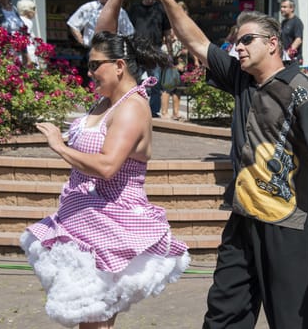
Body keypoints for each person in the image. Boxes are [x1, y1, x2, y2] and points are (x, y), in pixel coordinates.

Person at [99, 0, 308, 328]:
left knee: (296, 321)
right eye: (236, 41)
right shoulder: (242, 79)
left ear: (272, 43)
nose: (238, 47)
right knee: (224, 314)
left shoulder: (302, 91)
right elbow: (196, 41)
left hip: (288, 228)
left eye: (246, 40)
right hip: (243, 223)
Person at [20, 30, 190, 328]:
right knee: (92, 318)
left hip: (112, 223)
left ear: (119, 66)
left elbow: (108, 165)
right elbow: (103, 30)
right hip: (83, 218)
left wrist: (60, 147)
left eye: (96, 64)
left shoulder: (131, 108)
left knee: (94, 319)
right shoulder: (110, 99)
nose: (90, 71)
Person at [127, 0, 173, 117]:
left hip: (155, 50)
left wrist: (170, 52)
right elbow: (126, 29)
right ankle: (133, 108)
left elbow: (167, 32)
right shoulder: (134, 9)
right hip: (136, 50)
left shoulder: (161, 9)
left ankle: (153, 111)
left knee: (156, 82)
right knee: (132, 81)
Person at [67, 0, 135, 49]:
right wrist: (82, 42)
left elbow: (129, 32)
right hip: (92, 48)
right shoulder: (88, 8)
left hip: (112, 50)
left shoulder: (120, 11)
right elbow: (73, 24)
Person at [280, 0, 303, 65]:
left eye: (284, 7)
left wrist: (287, 55)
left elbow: (298, 40)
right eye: (281, 7)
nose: (281, 9)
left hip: (293, 60)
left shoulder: (297, 22)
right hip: (284, 59)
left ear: (292, 8)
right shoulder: (284, 22)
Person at [17, 0, 38, 65]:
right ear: (27, 11)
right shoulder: (27, 22)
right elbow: (23, 39)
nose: (35, 12)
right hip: (27, 54)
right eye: (33, 9)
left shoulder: (18, 20)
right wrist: (28, 58)